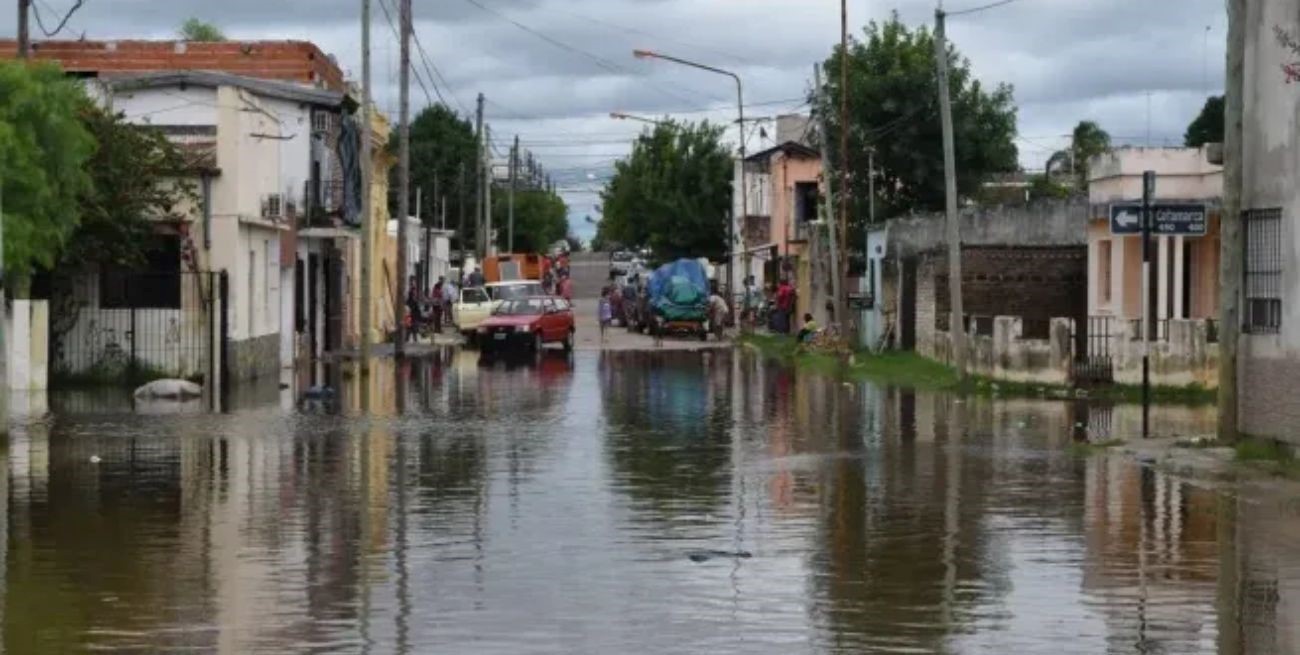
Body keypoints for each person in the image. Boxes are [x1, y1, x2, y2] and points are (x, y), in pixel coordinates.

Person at [405, 276, 423, 342]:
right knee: (410, 330)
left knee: (411, 331)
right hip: (411, 316)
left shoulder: (412, 299)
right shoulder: (410, 299)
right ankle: (409, 342)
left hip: (412, 316)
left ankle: (411, 341)